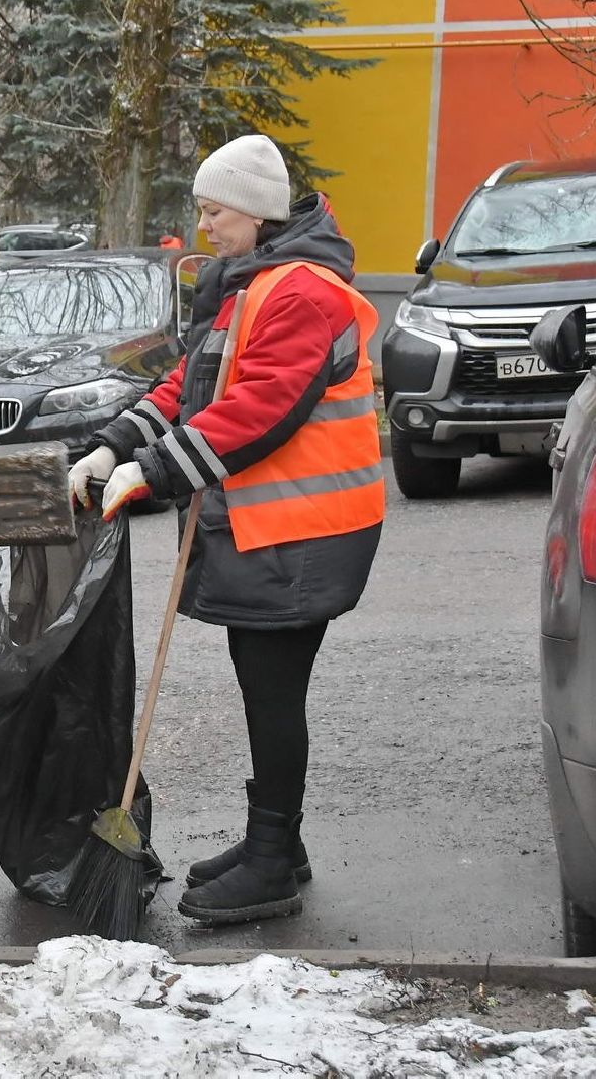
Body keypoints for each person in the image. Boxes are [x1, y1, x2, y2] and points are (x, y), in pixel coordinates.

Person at [69, 134, 384, 927]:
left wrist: (158, 470)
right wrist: (116, 441)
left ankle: (273, 860)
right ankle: (276, 842)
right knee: (262, 684)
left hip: (301, 530)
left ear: (254, 209)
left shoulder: (303, 292)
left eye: (213, 211)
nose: (204, 225)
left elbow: (261, 408)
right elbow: (190, 383)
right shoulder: (253, 286)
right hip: (272, 524)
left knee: (272, 691)